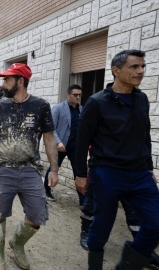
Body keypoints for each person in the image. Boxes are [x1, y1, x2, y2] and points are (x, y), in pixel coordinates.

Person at [74, 49, 159, 269]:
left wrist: (149, 168)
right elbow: (82, 142)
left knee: (155, 224)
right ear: (116, 70)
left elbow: (145, 135)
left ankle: (127, 265)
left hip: (140, 174)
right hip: (107, 172)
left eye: (142, 67)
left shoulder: (142, 100)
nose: (140, 71)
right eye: (134, 67)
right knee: (101, 225)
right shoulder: (97, 102)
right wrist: (80, 175)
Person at [0, 63, 59, 270]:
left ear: (20, 81)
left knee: (37, 216)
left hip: (30, 168)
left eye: (7, 79)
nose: (3, 84)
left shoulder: (40, 106)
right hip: (2, 169)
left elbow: (49, 138)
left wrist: (54, 169)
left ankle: (17, 243)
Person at [43, 84, 83, 203]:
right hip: (61, 144)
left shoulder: (81, 109)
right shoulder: (59, 108)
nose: (78, 97)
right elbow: (51, 128)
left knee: (78, 170)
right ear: (68, 95)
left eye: (80, 95)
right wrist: (58, 142)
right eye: (75, 95)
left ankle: (82, 198)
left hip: (75, 144)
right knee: (54, 167)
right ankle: (46, 190)